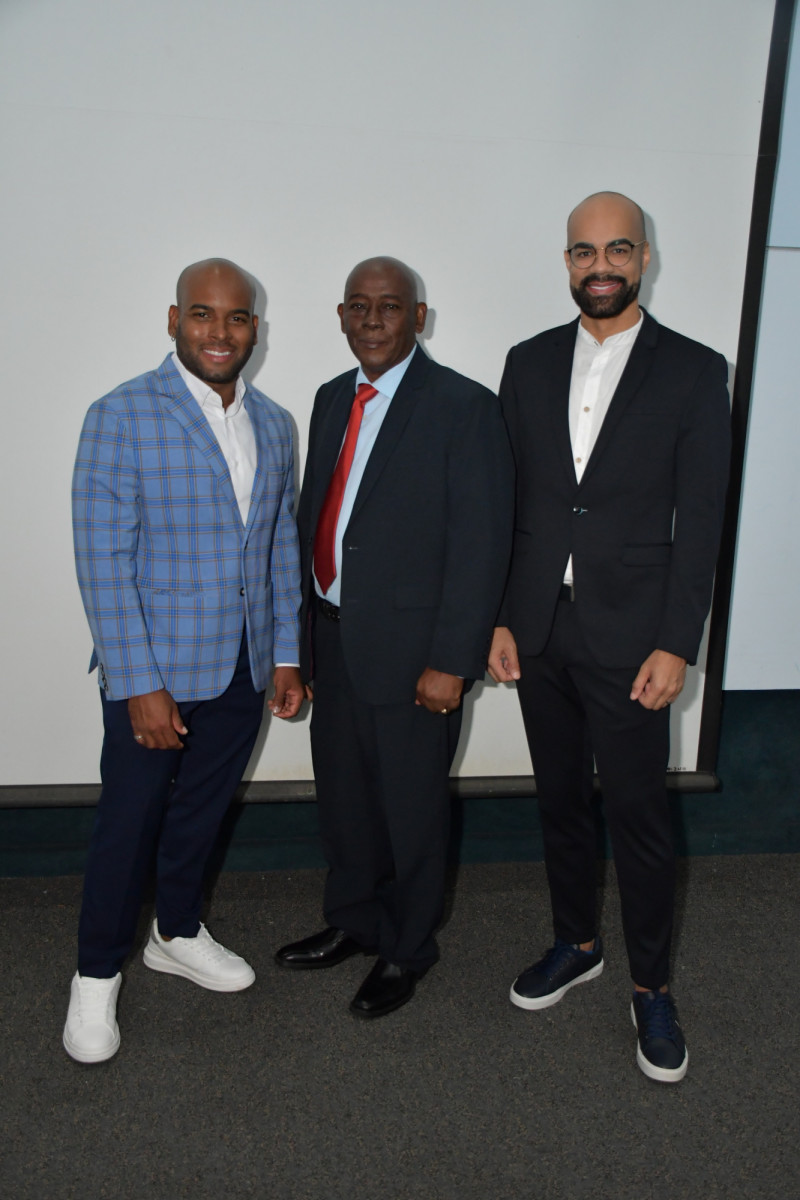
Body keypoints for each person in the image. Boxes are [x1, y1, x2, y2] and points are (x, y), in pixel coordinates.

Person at [488, 193, 731, 1083]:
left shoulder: (697, 372)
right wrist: (504, 616)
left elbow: (701, 521)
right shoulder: (527, 362)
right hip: (541, 630)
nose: (601, 265)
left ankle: (652, 988)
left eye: (618, 249)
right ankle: (575, 941)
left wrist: (678, 640)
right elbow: (508, 505)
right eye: (585, 251)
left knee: (638, 818)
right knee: (559, 800)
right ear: (565, 261)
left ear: (645, 259)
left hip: (635, 639)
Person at [65, 258, 303, 1063]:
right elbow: (103, 559)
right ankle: (95, 976)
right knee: (127, 825)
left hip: (242, 667)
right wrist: (138, 683)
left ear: (254, 331)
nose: (219, 332)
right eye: (203, 315)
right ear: (174, 320)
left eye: (236, 319)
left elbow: (276, 548)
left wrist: (286, 655)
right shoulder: (121, 414)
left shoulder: (274, 423)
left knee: (202, 812)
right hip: (156, 673)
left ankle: (175, 931)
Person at [275, 256, 513, 1018]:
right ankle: (354, 921)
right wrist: (303, 644)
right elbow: (320, 515)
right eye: (358, 306)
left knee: (411, 810)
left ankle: (408, 949)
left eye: (390, 306)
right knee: (345, 803)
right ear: (341, 317)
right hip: (337, 640)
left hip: (418, 657)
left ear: (419, 318)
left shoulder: (463, 406)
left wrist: (453, 661)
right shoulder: (327, 400)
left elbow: (481, 545)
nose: (373, 319)